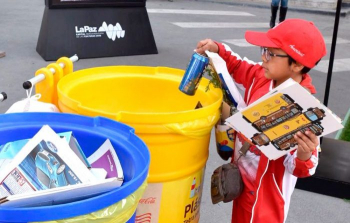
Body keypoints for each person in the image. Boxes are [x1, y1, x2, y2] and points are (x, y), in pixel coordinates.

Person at [195, 19, 326, 223]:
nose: (263, 58)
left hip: (268, 201)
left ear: (297, 64)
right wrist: (217, 49)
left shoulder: (305, 110)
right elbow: (237, 65)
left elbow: (302, 168)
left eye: (270, 53)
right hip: (241, 183)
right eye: (264, 50)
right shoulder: (261, 76)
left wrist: (304, 153)